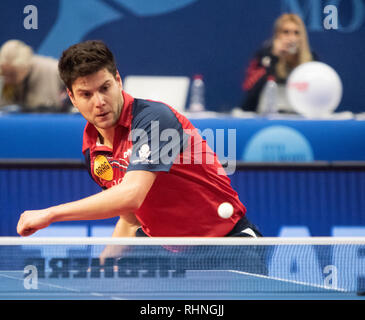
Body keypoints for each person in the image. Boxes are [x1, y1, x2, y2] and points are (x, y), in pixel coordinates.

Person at [17, 40, 264, 248]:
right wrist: (104, 271)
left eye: (105, 88)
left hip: (229, 245)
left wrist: (50, 214)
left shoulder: (154, 119)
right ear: (71, 96)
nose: (99, 101)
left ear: (118, 81)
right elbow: (130, 217)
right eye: (86, 94)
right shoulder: (92, 148)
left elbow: (131, 195)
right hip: (169, 254)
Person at [241, 13, 318, 113]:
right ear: (277, 35)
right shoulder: (265, 57)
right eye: (286, 32)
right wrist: (273, 58)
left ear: (302, 37)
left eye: (296, 33)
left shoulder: (311, 62)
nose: (291, 38)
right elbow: (249, 91)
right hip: (267, 117)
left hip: (302, 117)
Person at [0, 39, 71, 112]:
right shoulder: (5, 77)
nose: (7, 80)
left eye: (12, 74)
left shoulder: (52, 69)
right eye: (4, 73)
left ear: (25, 67)